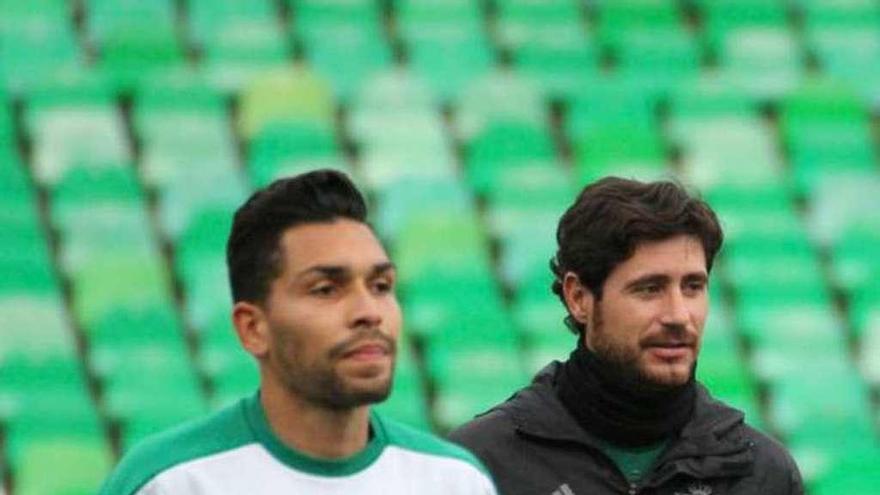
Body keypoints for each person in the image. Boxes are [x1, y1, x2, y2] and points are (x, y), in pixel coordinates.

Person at [100, 170, 496, 495]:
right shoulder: (171, 483)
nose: (368, 312)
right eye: (326, 289)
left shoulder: (455, 482)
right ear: (253, 328)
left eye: (380, 286)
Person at [449, 177, 803, 495]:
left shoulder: (761, 473)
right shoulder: (481, 464)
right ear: (579, 298)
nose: (678, 315)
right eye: (649, 289)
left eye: (693, 286)